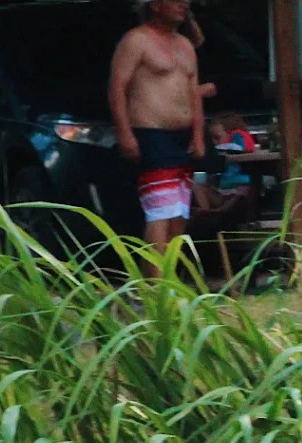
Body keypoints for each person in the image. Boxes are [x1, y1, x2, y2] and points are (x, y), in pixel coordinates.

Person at [108, 0, 206, 259]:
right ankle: (156, 288)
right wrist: (124, 132)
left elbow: (193, 93)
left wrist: (198, 136)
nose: (183, 4)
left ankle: (165, 283)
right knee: (160, 212)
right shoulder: (136, 40)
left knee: (179, 214)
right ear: (155, 4)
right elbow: (117, 86)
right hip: (152, 134)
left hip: (182, 137)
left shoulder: (186, 45)